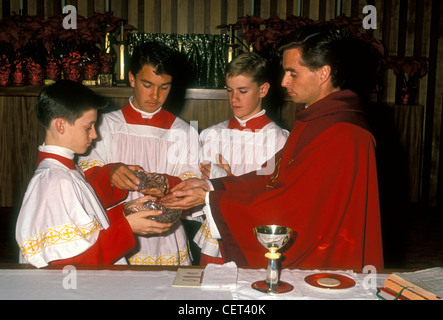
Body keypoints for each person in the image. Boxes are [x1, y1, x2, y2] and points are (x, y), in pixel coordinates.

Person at [160, 25, 384, 269]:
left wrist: (212, 199)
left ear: (323, 73)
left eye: (293, 73)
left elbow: (295, 207)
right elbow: (271, 175)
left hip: (327, 258)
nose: (284, 81)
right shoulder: (316, 119)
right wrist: (212, 184)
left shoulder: (342, 132)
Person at [16, 80, 173, 268]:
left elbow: (86, 231)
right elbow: (66, 267)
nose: (94, 135)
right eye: (88, 126)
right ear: (61, 125)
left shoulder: (65, 171)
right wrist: (127, 228)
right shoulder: (54, 181)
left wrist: (126, 212)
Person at [78, 42, 200, 266]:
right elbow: (84, 187)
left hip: (166, 237)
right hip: (116, 233)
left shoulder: (183, 132)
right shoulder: (104, 126)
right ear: (132, 78)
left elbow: (193, 190)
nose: (155, 95)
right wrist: (110, 174)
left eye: (164, 87)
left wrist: (165, 185)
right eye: (147, 84)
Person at [196, 52, 289, 264]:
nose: (234, 99)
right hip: (215, 236)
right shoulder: (211, 135)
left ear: (263, 90)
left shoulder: (278, 141)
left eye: (243, 91)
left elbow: (275, 199)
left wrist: (227, 181)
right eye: (229, 91)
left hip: (255, 242)